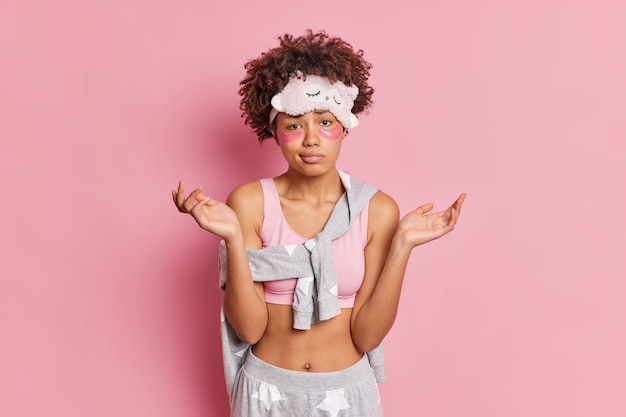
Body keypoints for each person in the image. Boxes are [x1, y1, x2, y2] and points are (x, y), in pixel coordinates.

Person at [172, 29, 465, 417]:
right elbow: (249, 330)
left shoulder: (376, 210)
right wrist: (231, 238)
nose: (311, 139)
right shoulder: (249, 203)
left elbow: (367, 334)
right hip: (267, 391)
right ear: (274, 133)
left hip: (347, 392)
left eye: (325, 122)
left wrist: (402, 245)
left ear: (344, 127)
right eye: (294, 125)